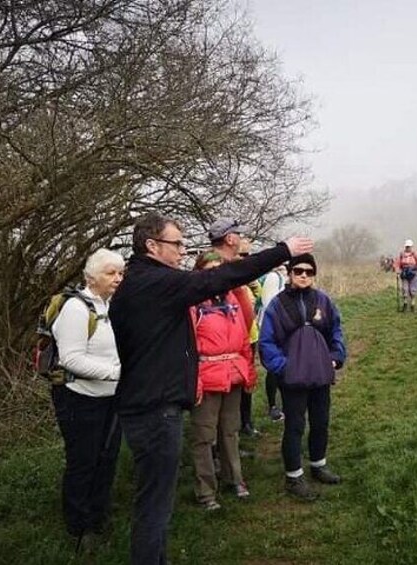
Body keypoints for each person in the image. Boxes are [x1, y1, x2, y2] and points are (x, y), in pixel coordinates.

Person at [110, 212, 312, 565]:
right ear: (151, 245)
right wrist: (283, 250)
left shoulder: (137, 283)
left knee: (154, 501)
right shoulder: (157, 282)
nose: (182, 252)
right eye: (177, 244)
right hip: (156, 411)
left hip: (145, 404)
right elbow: (224, 275)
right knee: (154, 506)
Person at [50, 248, 125, 545]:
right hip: (79, 398)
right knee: (83, 462)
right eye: (110, 273)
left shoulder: (111, 307)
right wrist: (117, 374)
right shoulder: (76, 309)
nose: (118, 278)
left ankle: (99, 516)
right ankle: (78, 527)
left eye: (120, 273)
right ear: (91, 277)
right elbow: (71, 358)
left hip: (111, 399)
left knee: (107, 459)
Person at [258, 253, 347, 501]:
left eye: (309, 271)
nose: (304, 275)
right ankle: (294, 476)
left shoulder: (323, 301)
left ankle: (319, 465)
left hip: (320, 374)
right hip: (293, 378)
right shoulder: (277, 305)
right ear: (290, 274)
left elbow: (336, 331)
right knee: (295, 426)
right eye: (299, 271)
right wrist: (284, 367)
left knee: (320, 421)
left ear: (314, 275)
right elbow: (267, 343)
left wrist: (335, 357)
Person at [189, 251, 255, 511]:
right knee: (204, 436)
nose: (216, 274)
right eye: (210, 269)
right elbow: (189, 346)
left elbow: (244, 339)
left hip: (233, 374)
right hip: (206, 375)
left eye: (220, 268)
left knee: (230, 431)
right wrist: (194, 381)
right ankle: (206, 491)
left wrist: (248, 371)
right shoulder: (193, 303)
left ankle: (234, 479)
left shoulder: (232, 299)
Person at [208, 221, 261, 438]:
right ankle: (218, 455)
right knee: (218, 408)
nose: (240, 239)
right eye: (238, 235)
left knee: (238, 395)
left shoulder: (235, 271)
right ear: (230, 239)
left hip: (242, 340)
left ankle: (236, 437)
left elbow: (250, 300)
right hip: (219, 349)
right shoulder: (216, 269)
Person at [257, 263, 288, 422]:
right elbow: (269, 303)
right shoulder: (273, 277)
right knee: (274, 368)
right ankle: (273, 406)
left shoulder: (282, 277)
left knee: (283, 367)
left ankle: (284, 403)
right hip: (272, 329)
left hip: (283, 328)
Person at [394, 239, 417, 312]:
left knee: (413, 289)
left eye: (409, 247)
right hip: (404, 273)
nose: (408, 248)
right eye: (407, 247)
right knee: (405, 288)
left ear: (412, 247)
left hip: (414, 273)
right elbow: (397, 263)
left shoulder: (415, 254)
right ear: (405, 247)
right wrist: (397, 270)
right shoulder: (402, 254)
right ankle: (405, 303)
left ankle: (412, 304)